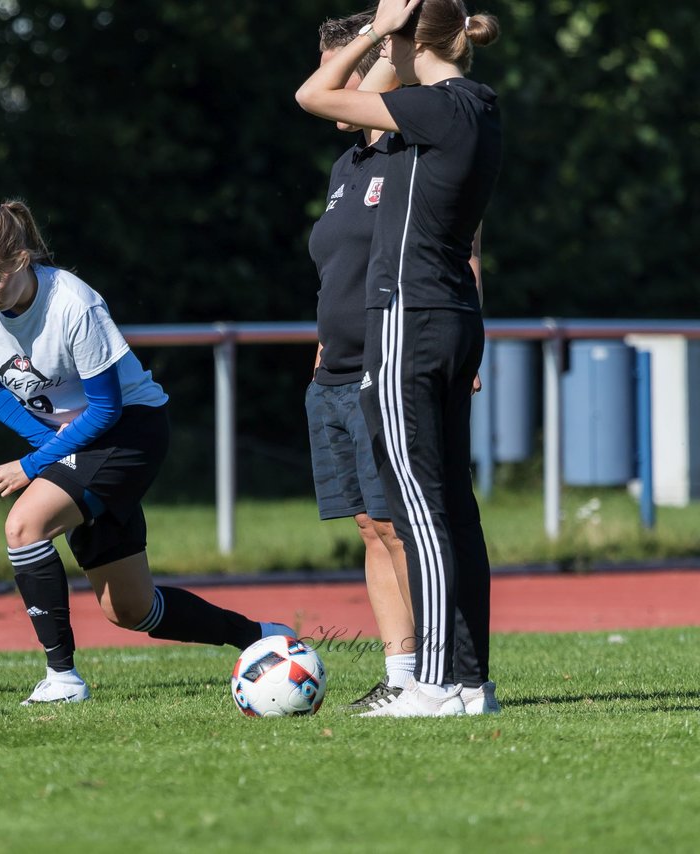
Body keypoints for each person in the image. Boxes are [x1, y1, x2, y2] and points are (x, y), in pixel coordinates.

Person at [0, 200, 293, 705]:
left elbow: (106, 410)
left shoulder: (74, 304)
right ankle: (261, 635)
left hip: (129, 432)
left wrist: (33, 464)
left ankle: (62, 678)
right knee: (131, 610)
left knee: (24, 525)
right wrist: (51, 447)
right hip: (73, 441)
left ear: (21, 259)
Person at [296, 0, 501, 717]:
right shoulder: (473, 106)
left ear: (412, 45)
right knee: (451, 508)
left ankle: (435, 683)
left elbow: (314, 95)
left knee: (420, 512)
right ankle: (470, 684)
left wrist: (378, 30)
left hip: (408, 320)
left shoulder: (437, 109)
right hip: (443, 317)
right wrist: (397, 33)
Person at [306, 12, 418, 711]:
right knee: (371, 527)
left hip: (389, 364)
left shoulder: (413, 147)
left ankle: (436, 670)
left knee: (403, 525)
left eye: (344, 64)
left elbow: (461, 254)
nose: (333, 83)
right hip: (334, 373)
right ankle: (400, 676)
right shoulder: (345, 168)